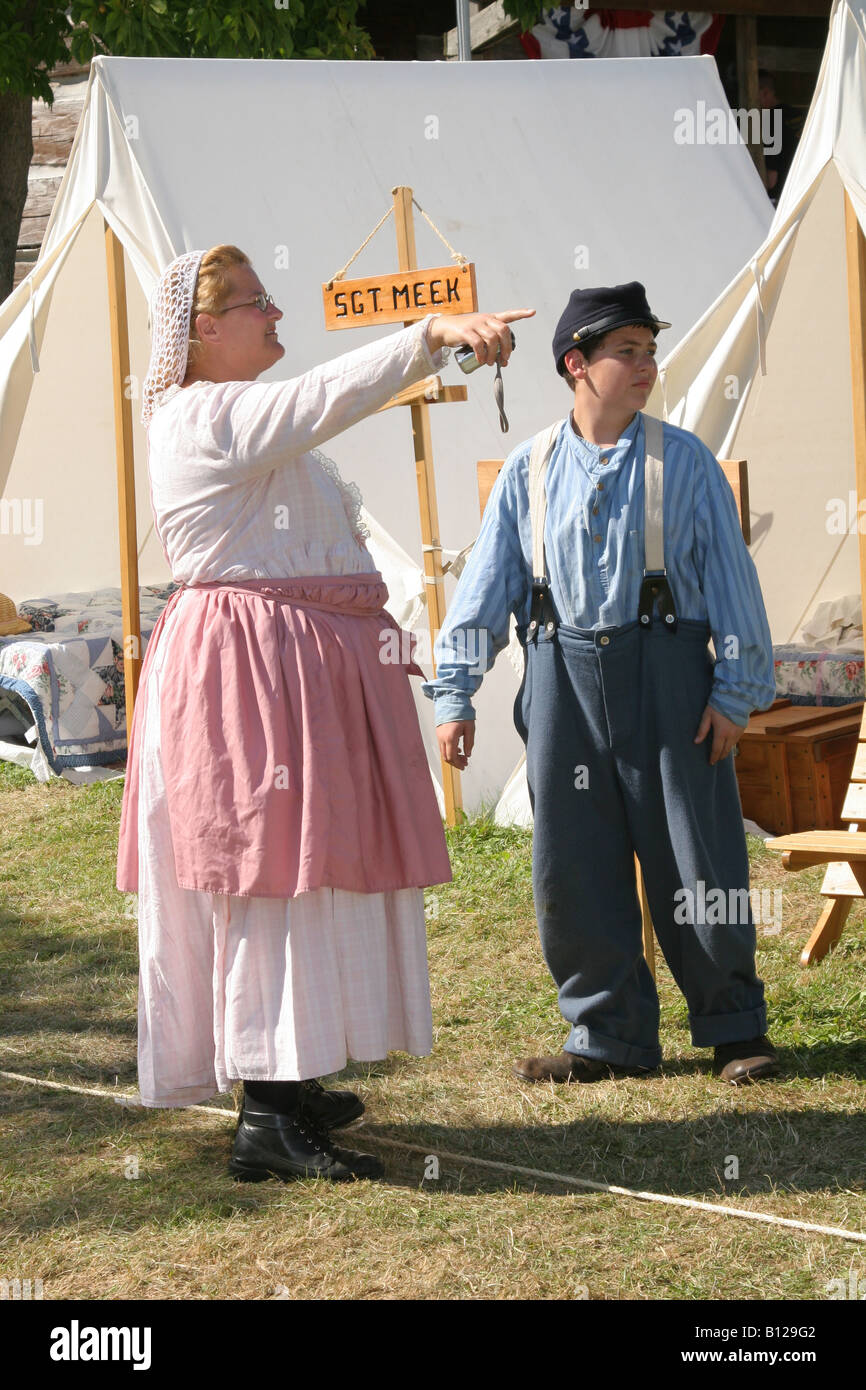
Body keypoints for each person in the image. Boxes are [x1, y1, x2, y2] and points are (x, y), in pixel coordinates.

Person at [116, 244, 532, 1180]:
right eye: (256, 305)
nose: (275, 315)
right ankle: (266, 1114)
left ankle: (290, 1077)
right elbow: (317, 399)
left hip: (291, 669)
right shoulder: (202, 415)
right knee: (276, 869)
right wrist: (427, 333)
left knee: (319, 864)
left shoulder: (236, 418)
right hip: (250, 674)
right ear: (203, 331)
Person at [423, 282, 780, 1086]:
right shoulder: (530, 468)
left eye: (650, 350)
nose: (647, 364)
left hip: (670, 680)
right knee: (573, 865)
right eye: (629, 351)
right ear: (576, 364)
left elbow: (733, 587)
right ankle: (608, 1036)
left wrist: (734, 694)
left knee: (698, 858)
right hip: (561, 679)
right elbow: (486, 586)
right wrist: (455, 695)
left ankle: (733, 1027)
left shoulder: (682, 460)